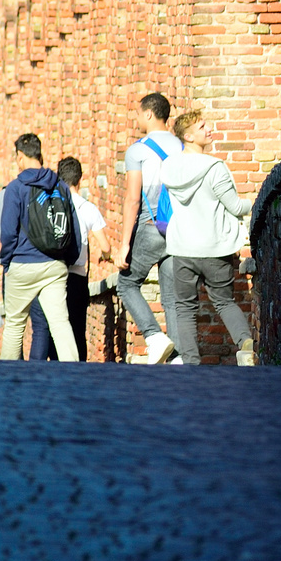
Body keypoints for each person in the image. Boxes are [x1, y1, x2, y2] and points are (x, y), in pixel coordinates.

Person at [161, 110, 256, 366]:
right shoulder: (215, 167)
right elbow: (235, 207)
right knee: (224, 302)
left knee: (184, 308)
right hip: (215, 247)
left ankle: (191, 363)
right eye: (202, 127)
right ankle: (245, 345)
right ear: (188, 136)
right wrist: (254, 203)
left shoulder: (168, 167)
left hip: (182, 248)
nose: (209, 129)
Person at [0, 134, 81, 361]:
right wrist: (67, 259)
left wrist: (6, 261)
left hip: (22, 264)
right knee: (60, 323)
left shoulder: (15, 188)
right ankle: (74, 375)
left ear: (20, 157)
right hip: (54, 266)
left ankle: (8, 379)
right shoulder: (60, 185)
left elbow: (8, 231)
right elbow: (74, 228)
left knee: (15, 325)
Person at [116, 92, 183, 363]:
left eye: (137, 112)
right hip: (179, 227)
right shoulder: (182, 145)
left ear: (148, 114)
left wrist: (124, 244)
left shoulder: (138, 149)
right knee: (172, 298)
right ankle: (179, 358)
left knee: (126, 283)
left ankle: (154, 337)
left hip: (151, 224)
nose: (136, 118)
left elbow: (133, 199)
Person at [29, 158, 102, 361]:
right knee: (77, 328)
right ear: (80, 179)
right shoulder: (88, 208)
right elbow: (105, 246)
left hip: (51, 272)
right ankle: (78, 371)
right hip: (77, 276)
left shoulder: (48, 203)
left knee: (53, 326)